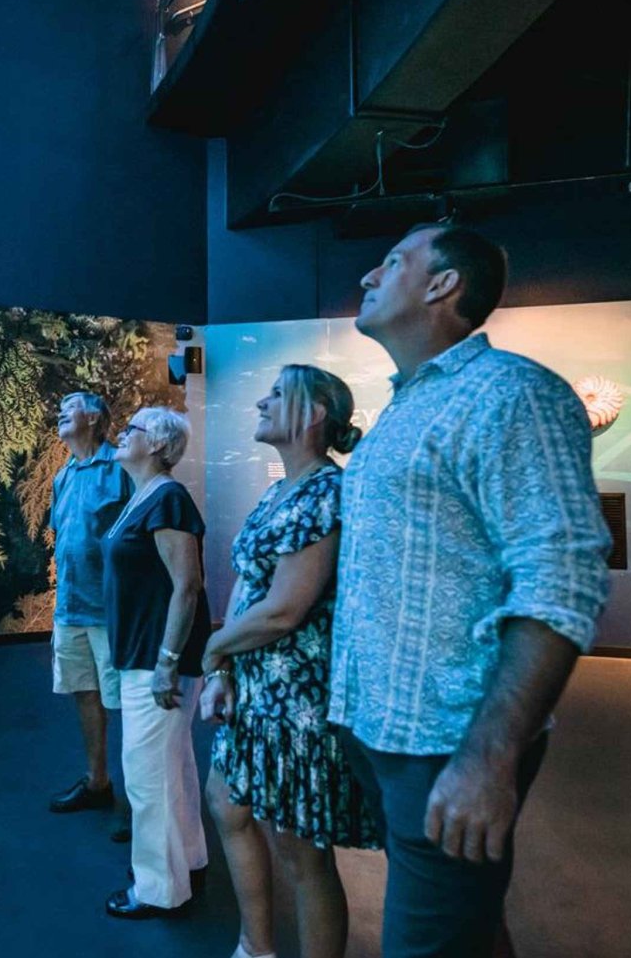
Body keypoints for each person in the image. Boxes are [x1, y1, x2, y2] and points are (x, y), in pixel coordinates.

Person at [330, 225, 611, 957]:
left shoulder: (513, 394)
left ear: (441, 285)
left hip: (448, 742)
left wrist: (489, 757)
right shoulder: (406, 406)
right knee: (473, 929)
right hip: (383, 730)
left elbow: (563, 579)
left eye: (392, 260)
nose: (368, 272)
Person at [199, 365, 381, 958]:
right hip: (255, 687)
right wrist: (224, 668)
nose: (261, 400)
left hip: (296, 702)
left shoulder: (327, 492)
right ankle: (255, 946)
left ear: (313, 414)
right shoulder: (280, 491)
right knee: (227, 803)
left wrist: (214, 648)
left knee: (301, 850)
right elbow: (249, 585)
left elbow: (284, 609)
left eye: (277, 394)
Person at [100, 406, 211, 919]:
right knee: (172, 764)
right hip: (144, 652)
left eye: (133, 430)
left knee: (146, 775)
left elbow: (188, 587)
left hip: (156, 656)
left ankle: (159, 888)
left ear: (159, 446)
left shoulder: (167, 498)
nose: (122, 434)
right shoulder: (143, 497)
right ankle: (186, 856)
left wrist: (167, 661)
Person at [47, 392, 133, 842]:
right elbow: (63, 537)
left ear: (95, 417)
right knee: (85, 694)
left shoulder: (120, 468)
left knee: (126, 704)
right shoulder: (62, 476)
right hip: (70, 609)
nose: (61, 411)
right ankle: (98, 781)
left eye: (71, 405)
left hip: (110, 611)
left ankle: (137, 801)